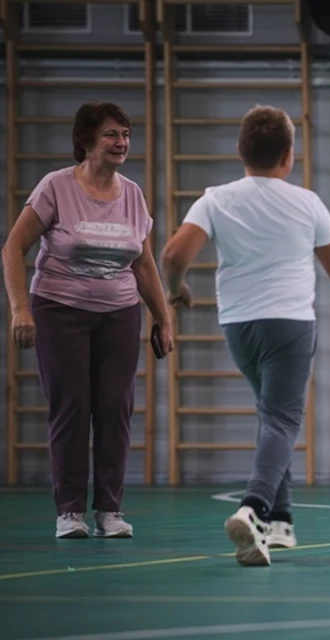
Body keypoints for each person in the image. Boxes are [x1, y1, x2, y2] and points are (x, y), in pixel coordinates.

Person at [160, 104, 330, 566]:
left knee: (269, 416)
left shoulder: (214, 199)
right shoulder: (306, 203)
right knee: (282, 420)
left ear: (242, 151)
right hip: (290, 324)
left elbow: (174, 254)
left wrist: (176, 289)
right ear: (288, 156)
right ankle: (255, 508)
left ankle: (280, 524)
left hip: (239, 325)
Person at [2, 101, 174, 539]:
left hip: (118, 314)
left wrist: (163, 318)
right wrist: (20, 308)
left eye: (126, 134)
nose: (121, 143)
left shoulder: (132, 194)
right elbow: (13, 248)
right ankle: (70, 511)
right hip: (59, 311)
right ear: (86, 141)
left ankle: (110, 512)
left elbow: (144, 264)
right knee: (72, 407)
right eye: (111, 135)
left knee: (115, 408)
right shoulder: (56, 187)